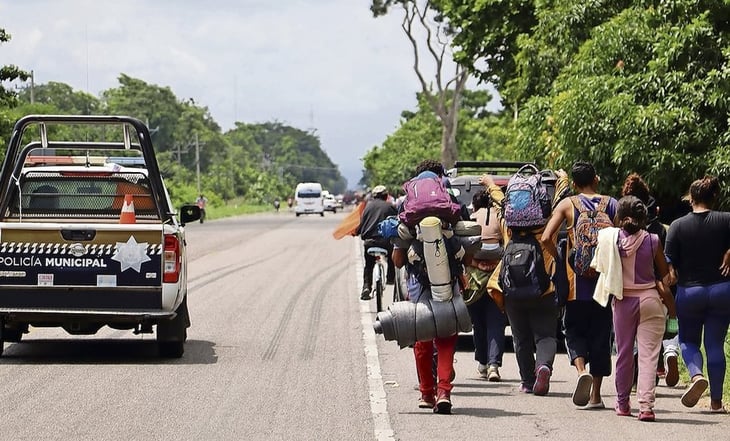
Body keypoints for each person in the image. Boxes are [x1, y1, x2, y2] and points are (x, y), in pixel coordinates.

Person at [541, 161, 618, 408]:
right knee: (600, 335)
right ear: (596, 179)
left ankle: (580, 370)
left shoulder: (567, 204)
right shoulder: (612, 204)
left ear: (574, 184)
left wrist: (560, 257)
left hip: (576, 284)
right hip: (603, 282)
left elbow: (545, 238)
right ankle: (596, 396)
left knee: (573, 331)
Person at [392, 159, 460, 414]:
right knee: (446, 337)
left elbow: (398, 261)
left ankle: (426, 394)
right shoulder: (449, 196)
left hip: (418, 283)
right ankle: (444, 391)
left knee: (422, 340)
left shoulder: (406, 203)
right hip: (448, 280)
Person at [600, 196, 676, 421]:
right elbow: (665, 275)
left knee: (624, 354)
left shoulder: (610, 240)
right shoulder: (652, 240)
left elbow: (602, 270)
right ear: (644, 218)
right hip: (650, 300)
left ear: (618, 217)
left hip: (623, 302)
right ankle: (646, 407)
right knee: (649, 357)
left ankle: (623, 403)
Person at [489, 174, 560, 396]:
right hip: (544, 290)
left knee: (521, 339)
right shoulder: (548, 229)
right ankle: (544, 366)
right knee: (546, 335)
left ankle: (528, 382)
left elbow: (499, 203)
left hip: (512, 293)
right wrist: (562, 179)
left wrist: (490, 185)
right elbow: (560, 200)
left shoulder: (508, 230)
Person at [664, 176, 730, 413]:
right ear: (715, 197)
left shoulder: (678, 226)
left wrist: (670, 276)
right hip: (722, 290)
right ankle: (716, 403)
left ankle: (696, 375)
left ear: (690, 199)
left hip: (690, 291)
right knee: (714, 344)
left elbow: (668, 265)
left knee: (687, 341)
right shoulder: (726, 220)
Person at [621, 173, 679, 387]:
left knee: (628, 339)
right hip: (656, 289)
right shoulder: (656, 230)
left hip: (627, 289)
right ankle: (663, 359)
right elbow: (665, 266)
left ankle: (630, 383)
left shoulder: (620, 230)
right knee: (653, 337)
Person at [464, 179, 507, 381]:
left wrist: (478, 264)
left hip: (474, 281)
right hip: (497, 280)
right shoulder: (501, 218)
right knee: (496, 323)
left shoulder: (471, 219)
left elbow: (463, 252)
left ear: (475, 205)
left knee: (478, 323)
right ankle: (493, 366)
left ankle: (482, 362)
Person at [355, 185, 397, 300]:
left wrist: (356, 232)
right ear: (386, 196)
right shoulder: (390, 207)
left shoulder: (367, 207)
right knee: (393, 257)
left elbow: (362, 224)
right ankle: (390, 278)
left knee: (369, 265)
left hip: (369, 242)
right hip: (386, 242)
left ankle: (366, 287)